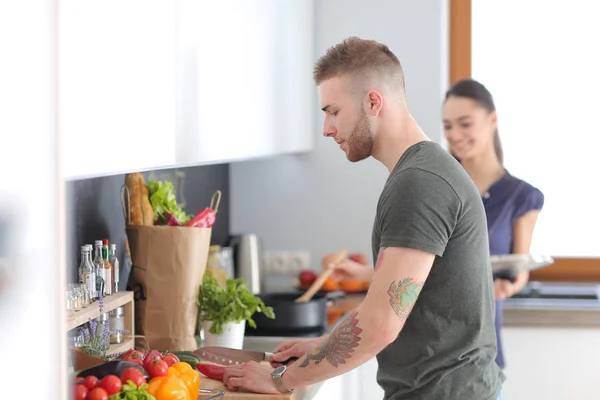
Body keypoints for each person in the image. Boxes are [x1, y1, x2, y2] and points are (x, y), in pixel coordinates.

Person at [222, 37, 505, 399]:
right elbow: (397, 303)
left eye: (333, 111)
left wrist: (279, 380)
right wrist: (323, 347)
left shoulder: (420, 183)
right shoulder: (423, 172)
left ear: (373, 101)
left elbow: (380, 324)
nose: (326, 128)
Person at [442, 78, 545, 372]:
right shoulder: (438, 186)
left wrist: (507, 285)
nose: (454, 134)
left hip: (481, 356)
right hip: (427, 352)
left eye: (464, 123)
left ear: (492, 119)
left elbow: (519, 268)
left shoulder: (522, 196)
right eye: (448, 126)